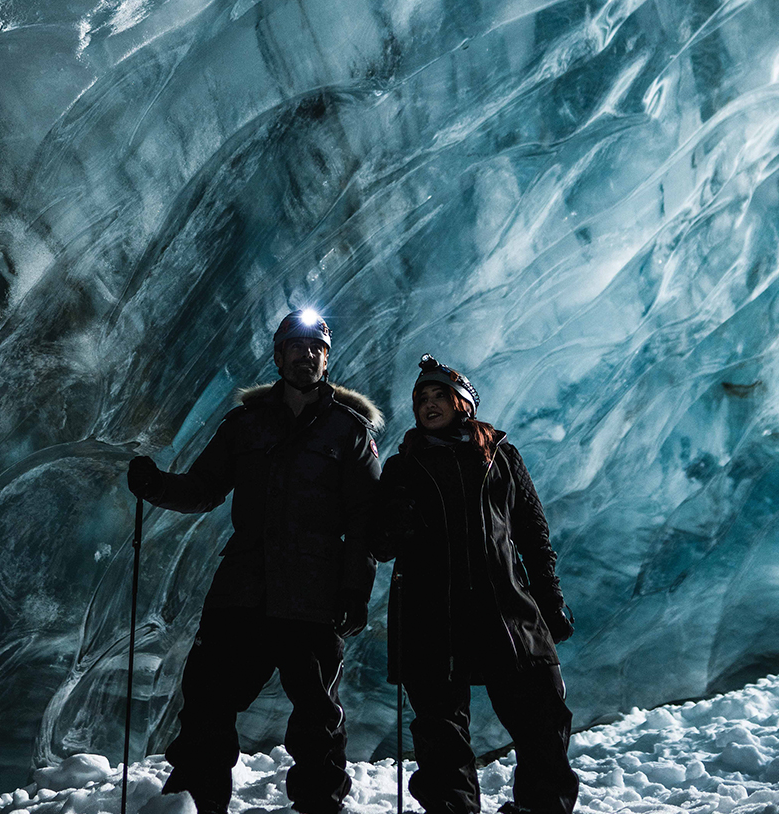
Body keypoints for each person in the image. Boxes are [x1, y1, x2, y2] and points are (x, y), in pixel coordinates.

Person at [127, 309, 384, 814]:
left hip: (314, 595)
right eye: (296, 347)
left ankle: (319, 805)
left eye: (316, 349)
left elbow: (366, 520)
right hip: (242, 589)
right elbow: (202, 489)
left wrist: (356, 589)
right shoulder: (244, 426)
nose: (306, 355)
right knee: (207, 700)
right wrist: (157, 486)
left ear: (327, 360)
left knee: (316, 714)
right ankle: (201, 804)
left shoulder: (349, 431)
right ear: (278, 355)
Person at [374, 354, 579, 814]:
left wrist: (550, 600)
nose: (427, 405)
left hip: (505, 610)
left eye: (438, 396)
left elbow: (532, 532)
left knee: (544, 717)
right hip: (433, 617)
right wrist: (392, 521)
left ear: (462, 401)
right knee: (440, 733)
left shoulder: (501, 454)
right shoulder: (403, 465)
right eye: (420, 399)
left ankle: (540, 808)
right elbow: (379, 544)